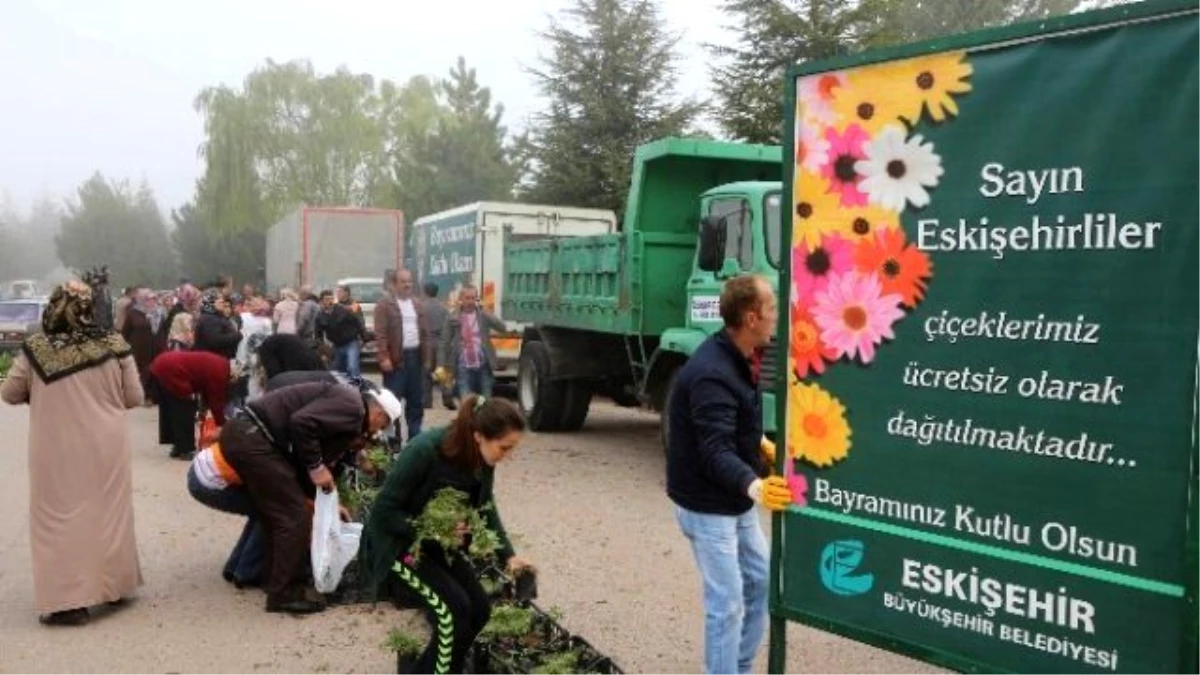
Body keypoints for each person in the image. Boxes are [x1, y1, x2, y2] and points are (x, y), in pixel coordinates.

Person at [665, 274, 792, 675]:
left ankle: (734, 668)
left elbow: (733, 427)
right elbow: (714, 449)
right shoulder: (712, 372)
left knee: (761, 581)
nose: (777, 315)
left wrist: (758, 445)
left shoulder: (741, 356)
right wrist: (755, 484)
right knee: (727, 603)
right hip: (707, 507)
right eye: (771, 308)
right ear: (752, 317)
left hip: (731, 498)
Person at [1, 281, 145, 626]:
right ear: (92, 308)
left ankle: (69, 602)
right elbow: (134, 398)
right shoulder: (114, 344)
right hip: (107, 445)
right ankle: (114, 587)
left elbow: (10, 393)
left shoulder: (36, 348)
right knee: (108, 511)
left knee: (58, 518)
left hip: (55, 446)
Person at [360, 395, 534, 674]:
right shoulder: (425, 451)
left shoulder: (482, 459)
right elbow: (383, 513)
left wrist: (509, 556)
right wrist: (432, 531)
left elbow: (485, 508)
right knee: (453, 612)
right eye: (505, 448)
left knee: (478, 610)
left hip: (436, 544)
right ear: (479, 435)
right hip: (398, 546)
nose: (508, 456)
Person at [219, 381, 402, 613]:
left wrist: (329, 500)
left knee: (278, 513)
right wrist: (317, 467)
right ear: (378, 413)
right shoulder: (353, 409)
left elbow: (309, 445)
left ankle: (269, 578)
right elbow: (302, 423)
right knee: (295, 516)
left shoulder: (348, 405)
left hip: (245, 435)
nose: (376, 431)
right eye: (382, 425)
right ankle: (283, 595)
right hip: (253, 439)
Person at [375, 269, 430, 440]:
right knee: (392, 403)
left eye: (410, 281)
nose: (408, 285)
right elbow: (381, 333)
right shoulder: (384, 305)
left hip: (415, 358)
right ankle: (393, 440)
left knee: (416, 402)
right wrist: (384, 357)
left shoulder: (418, 305)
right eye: (403, 281)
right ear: (394, 284)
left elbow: (425, 333)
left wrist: (427, 359)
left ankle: (414, 438)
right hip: (396, 360)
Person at [149, 350, 232, 461]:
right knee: (184, 409)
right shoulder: (220, 372)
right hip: (171, 370)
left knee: (172, 409)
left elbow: (206, 391)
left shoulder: (220, 363)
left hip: (163, 364)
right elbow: (216, 399)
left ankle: (178, 446)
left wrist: (205, 410)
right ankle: (186, 450)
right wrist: (221, 423)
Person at [437, 284, 507, 402]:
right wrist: (441, 366)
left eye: (473, 298)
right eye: (467, 298)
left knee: (485, 402)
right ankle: (468, 420)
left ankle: (483, 420)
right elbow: (444, 342)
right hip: (463, 366)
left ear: (477, 299)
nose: (470, 301)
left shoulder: (483, 315)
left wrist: (485, 311)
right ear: (461, 299)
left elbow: (502, 327)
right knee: (467, 402)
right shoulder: (453, 317)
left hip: (483, 365)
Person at [317, 288, 366, 378]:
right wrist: (323, 351)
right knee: (338, 371)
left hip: (351, 342)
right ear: (321, 301)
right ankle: (345, 389)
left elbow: (357, 323)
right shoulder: (320, 316)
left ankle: (357, 387)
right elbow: (318, 335)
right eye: (327, 299)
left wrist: (363, 338)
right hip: (337, 345)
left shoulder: (343, 310)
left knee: (352, 367)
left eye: (331, 299)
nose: (330, 301)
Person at [121, 288, 158, 405]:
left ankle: (150, 396)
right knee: (138, 372)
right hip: (137, 349)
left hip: (153, 348)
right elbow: (125, 332)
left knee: (151, 371)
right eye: (145, 298)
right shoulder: (133, 313)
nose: (149, 301)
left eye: (151, 298)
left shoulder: (157, 312)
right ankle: (137, 396)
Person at [421, 282, 454, 410]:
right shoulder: (444, 308)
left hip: (427, 342)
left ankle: (427, 401)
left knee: (425, 372)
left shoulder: (421, 307)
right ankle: (447, 395)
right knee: (441, 370)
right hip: (441, 341)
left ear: (425, 292)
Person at [256, 332, 329, 381]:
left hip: (295, 361)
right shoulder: (312, 360)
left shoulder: (265, 347)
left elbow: (274, 373)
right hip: (272, 348)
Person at [193, 289, 242, 359]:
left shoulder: (216, 316)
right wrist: (237, 336)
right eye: (219, 301)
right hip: (211, 360)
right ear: (211, 302)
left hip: (216, 359)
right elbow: (215, 340)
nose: (222, 303)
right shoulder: (209, 319)